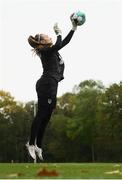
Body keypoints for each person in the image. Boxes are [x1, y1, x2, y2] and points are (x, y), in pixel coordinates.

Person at [26, 19, 78, 160]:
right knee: (41, 114)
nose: (50, 36)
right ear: (42, 42)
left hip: (52, 85)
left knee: (47, 117)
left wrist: (73, 28)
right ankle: (31, 143)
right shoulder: (44, 50)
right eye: (47, 36)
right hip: (46, 84)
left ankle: (39, 146)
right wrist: (59, 33)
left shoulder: (52, 50)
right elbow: (60, 42)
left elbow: (64, 43)